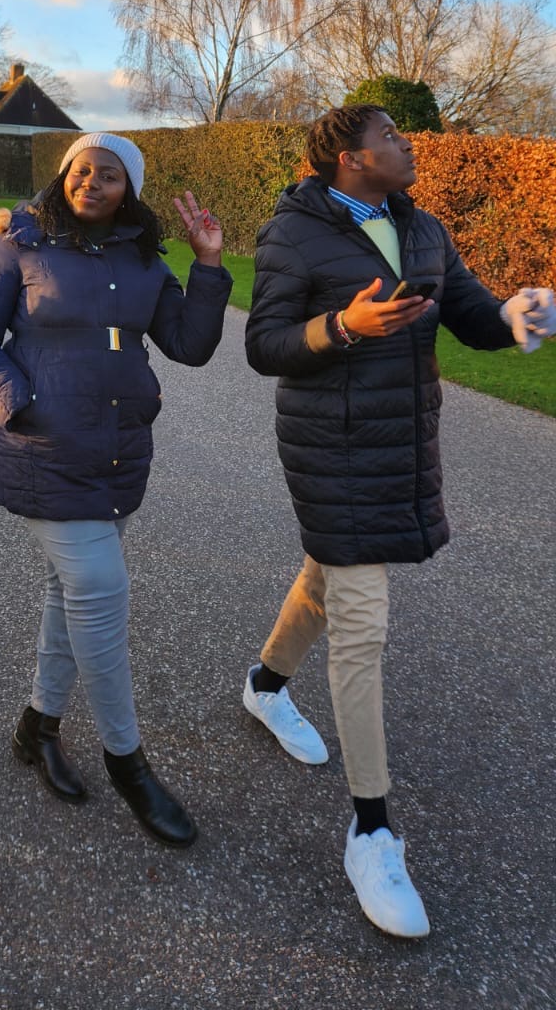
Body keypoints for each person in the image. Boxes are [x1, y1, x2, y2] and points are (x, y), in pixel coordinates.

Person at [241, 104, 555, 938]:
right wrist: (343, 325)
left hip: (400, 442)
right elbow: (265, 343)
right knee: (362, 619)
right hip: (329, 445)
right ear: (350, 159)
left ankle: (265, 685)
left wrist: (520, 319)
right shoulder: (293, 234)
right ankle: (371, 830)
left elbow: (474, 321)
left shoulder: (424, 230)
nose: (408, 145)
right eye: (393, 139)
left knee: (329, 575)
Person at [0, 132, 232, 846]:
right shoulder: (21, 243)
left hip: (118, 453)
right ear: (64, 177)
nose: (92, 182)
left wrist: (208, 264)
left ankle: (35, 730)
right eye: (82, 170)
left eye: (109, 175)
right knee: (101, 593)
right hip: (44, 449)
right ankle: (129, 765)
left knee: (68, 594)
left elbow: (191, 345)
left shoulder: (145, 259)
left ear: (127, 191)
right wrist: (15, 399)